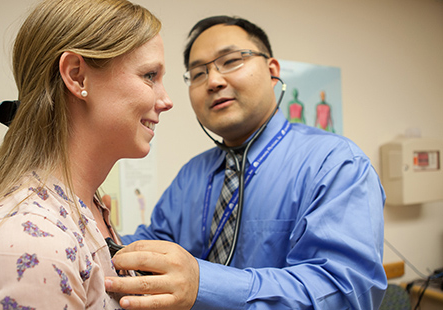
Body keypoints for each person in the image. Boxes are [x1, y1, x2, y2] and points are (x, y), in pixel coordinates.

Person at [105, 16, 387, 309]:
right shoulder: (192, 175)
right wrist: (99, 229)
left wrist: (205, 284)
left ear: (272, 70)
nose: (213, 81)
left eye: (231, 61)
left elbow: (346, 293)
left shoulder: (336, 164)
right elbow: (155, 244)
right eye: (198, 73)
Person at [0, 0, 172, 309]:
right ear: (77, 76)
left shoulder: (88, 211)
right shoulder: (33, 243)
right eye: (149, 75)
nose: (166, 100)